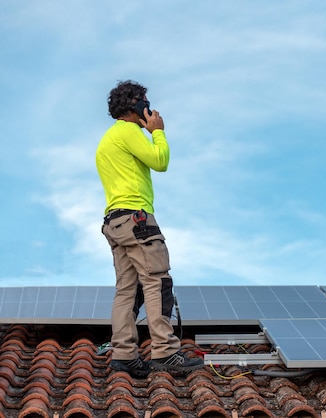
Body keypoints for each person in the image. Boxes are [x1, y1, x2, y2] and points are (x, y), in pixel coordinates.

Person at [96, 80, 203, 377]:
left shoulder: (108, 139)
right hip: (137, 220)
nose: (150, 106)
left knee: (127, 290)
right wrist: (158, 132)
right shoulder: (129, 132)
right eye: (145, 101)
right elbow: (160, 161)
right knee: (157, 281)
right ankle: (166, 352)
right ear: (135, 105)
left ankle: (124, 355)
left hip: (115, 222)